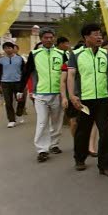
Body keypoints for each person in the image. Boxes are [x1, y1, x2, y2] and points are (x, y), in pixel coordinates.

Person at [68, 24, 108, 177]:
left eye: (100, 34)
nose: (99, 37)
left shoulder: (105, 54)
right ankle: (80, 158)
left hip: (102, 99)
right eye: (95, 34)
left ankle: (106, 165)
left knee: (106, 132)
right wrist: (72, 96)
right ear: (86, 37)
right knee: (83, 131)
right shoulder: (76, 54)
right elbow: (70, 76)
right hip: (84, 100)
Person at [21, 28, 68, 162]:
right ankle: (42, 149)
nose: (48, 39)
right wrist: (20, 89)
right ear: (41, 39)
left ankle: (54, 144)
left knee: (56, 121)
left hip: (58, 93)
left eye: (51, 37)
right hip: (40, 94)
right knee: (42, 122)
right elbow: (27, 72)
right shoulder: (34, 54)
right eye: (46, 37)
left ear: (54, 38)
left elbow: (67, 74)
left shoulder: (61, 54)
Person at [0, 42, 26, 128]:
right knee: (8, 102)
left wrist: (23, 83)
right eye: (5, 48)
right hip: (5, 83)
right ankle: (11, 120)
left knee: (21, 100)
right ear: (4, 49)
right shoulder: (1, 60)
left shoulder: (20, 59)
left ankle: (19, 113)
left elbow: (24, 72)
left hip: (18, 82)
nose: (7, 49)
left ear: (13, 49)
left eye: (9, 48)